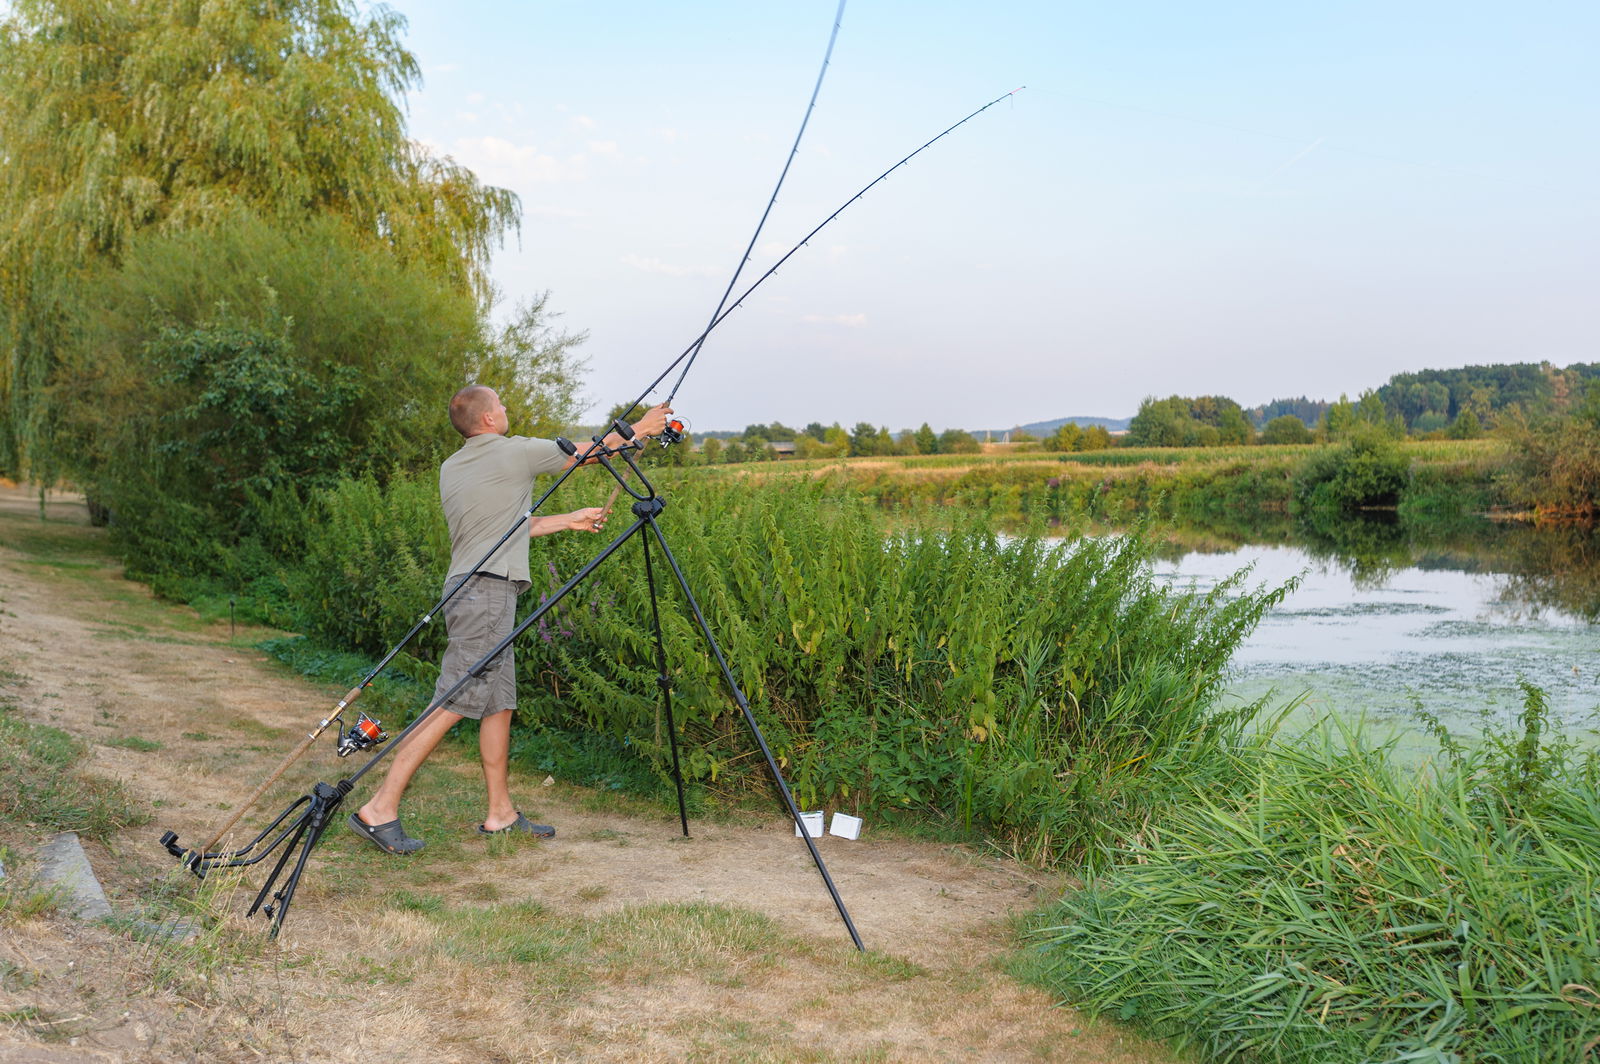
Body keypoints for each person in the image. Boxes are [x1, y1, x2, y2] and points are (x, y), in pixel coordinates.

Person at [349, 385, 672, 854]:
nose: (505, 410)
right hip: (487, 592)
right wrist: (643, 427)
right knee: (454, 697)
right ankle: (380, 807)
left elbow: (507, 526)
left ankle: (500, 813)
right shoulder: (514, 451)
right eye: (499, 405)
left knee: (497, 703)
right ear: (487, 419)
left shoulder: (454, 466)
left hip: (470, 589)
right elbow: (591, 452)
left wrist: (567, 519)